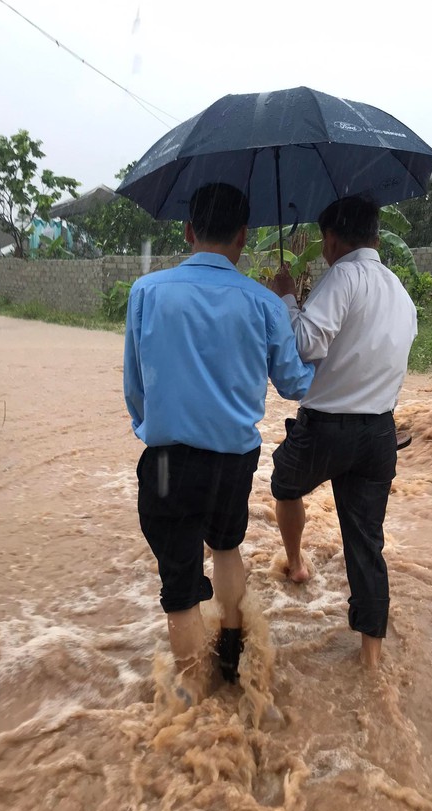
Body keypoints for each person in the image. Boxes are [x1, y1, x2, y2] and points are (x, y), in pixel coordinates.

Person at [123, 183, 314, 701]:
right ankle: (231, 648)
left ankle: (194, 702)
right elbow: (296, 386)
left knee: (179, 578)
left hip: (166, 460)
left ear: (188, 231)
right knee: (226, 545)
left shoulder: (147, 292)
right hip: (235, 457)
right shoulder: (264, 303)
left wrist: (156, 427)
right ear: (243, 236)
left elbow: (134, 387)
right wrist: (290, 303)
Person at [270, 195, 417, 668]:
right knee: (365, 541)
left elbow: (304, 343)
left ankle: (295, 564)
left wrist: (287, 299)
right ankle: (371, 657)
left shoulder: (343, 276)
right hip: (379, 434)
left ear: (331, 240)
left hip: (327, 427)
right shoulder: (400, 291)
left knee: (284, 483)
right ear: (376, 235)